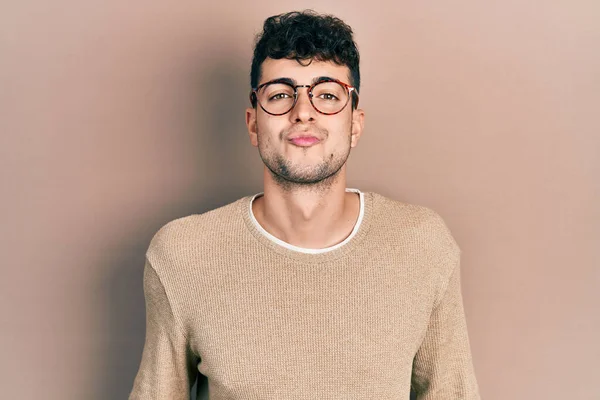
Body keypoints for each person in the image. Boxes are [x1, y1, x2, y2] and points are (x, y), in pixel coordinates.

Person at [129, 10, 480, 399]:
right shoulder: (183, 254)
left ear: (355, 124)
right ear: (252, 123)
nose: (303, 111)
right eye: (280, 94)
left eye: (327, 95)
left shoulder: (423, 247)